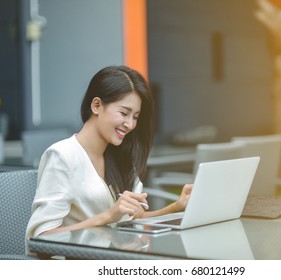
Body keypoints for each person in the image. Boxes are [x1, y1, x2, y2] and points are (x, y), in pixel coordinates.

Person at [25, 65, 192, 254]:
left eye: (135, 117)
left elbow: (133, 220)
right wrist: (108, 216)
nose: (130, 124)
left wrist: (176, 207)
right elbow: (41, 238)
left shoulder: (119, 158)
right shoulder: (62, 156)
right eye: (124, 113)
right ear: (96, 105)